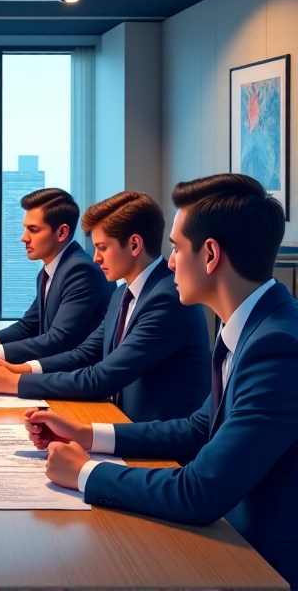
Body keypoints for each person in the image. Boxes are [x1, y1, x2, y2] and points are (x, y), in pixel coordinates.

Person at [25, 174, 298, 588]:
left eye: (176, 248)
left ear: (209, 255)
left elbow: (199, 491)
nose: (169, 262)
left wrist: (85, 474)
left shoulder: (277, 345)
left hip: (257, 562)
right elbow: (198, 428)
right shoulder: (254, 327)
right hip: (226, 536)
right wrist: (87, 433)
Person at [0, 191, 210, 422]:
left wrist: (14, 383)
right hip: (120, 423)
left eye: (103, 247)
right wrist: (17, 370)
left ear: (135, 245)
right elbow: (85, 354)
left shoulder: (167, 298)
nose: (96, 258)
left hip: (159, 447)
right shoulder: (122, 294)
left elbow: (102, 377)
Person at [0, 188, 114, 364]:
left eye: (33, 230)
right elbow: (29, 324)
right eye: (25, 229)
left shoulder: (81, 270)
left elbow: (58, 339)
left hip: (74, 378)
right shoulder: (49, 271)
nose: (24, 238)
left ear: (62, 232)